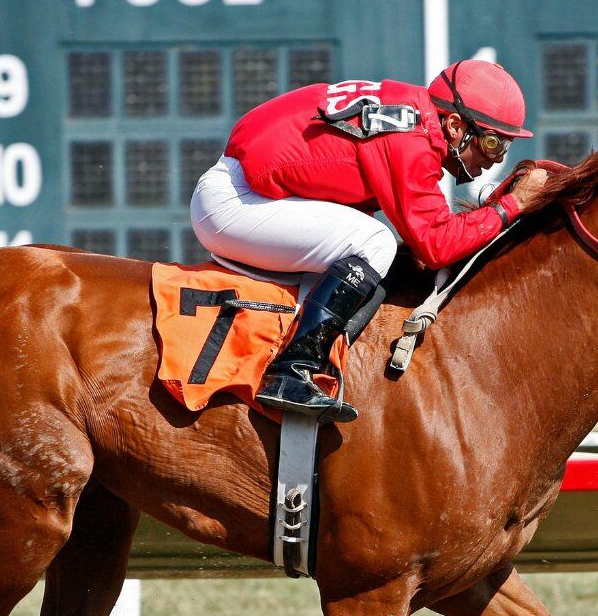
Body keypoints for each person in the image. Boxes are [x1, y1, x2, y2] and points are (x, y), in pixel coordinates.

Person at [190, 59, 551, 422]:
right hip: (237, 201)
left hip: (246, 187)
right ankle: (290, 370)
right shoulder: (412, 138)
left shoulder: (412, 114)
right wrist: (512, 205)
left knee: (370, 246)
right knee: (376, 241)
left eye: (504, 148)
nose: (495, 161)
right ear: (455, 125)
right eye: (491, 143)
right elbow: (437, 245)